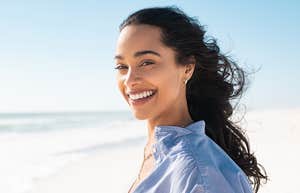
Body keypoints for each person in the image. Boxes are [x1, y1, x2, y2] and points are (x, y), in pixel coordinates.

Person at [114, 6, 268, 193]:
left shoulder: (197, 173)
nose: (129, 80)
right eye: (122, 66)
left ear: (187, 68)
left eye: (147, 63)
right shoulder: (159, 150)